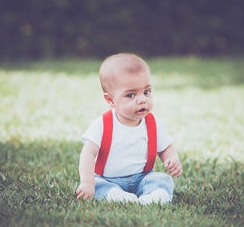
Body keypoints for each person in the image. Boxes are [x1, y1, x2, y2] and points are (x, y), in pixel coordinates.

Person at [76, 53, 182, 204]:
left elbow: (166, 148)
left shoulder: (152, 124)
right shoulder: (102, 124)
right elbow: (88, 154)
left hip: (142, 177)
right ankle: (116, 196)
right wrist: (87, 183)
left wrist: (171, 158)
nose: (142, 100)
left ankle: (155, 196)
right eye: (131, 95)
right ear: (110, 100)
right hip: (108, 179)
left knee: (162, 179)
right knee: (98, 184)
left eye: (147, 92)